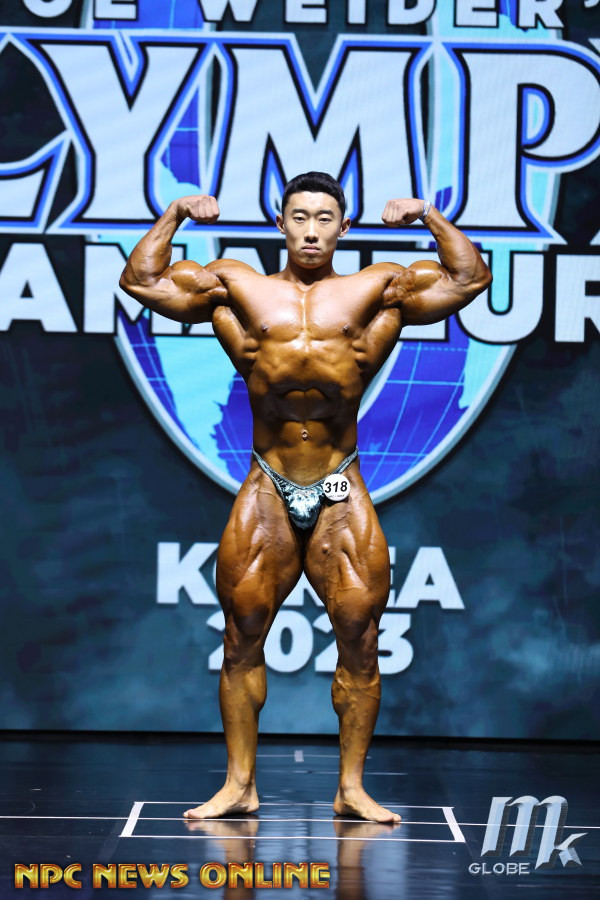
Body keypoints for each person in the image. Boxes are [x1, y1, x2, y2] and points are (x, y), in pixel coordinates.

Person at [120, 172, 491, 823]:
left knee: (360, 637)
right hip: (267, 480)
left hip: (339, 480)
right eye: (299, 216)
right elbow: (142, 281)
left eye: (324, 218)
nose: (311, 230)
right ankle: (240, 785)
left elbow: (469, 278)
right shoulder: (239, 286)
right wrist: (175, 212)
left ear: (343, 227)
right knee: (241, 635)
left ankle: (351, 788)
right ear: (281, 223)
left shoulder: (377, 289)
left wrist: (429, 215)